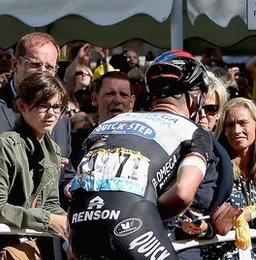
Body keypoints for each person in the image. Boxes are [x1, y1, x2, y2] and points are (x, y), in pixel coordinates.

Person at [68, 50, 213, 259]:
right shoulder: (193, 131)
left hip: (80, 227)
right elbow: (182, 192)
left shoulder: (109, 124)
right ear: (195, 98)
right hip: (132, 225)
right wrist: (147, 212)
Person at [0, 72, 69, 257]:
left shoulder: (53, 149)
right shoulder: (4, 145)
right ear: (22, 105)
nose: (52, 113)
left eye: (58, 106)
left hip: (32, 243)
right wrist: (49, 219)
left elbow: (50, 203)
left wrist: (69, 221)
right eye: (43, 105)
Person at [171, 72, 234, 259]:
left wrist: (203, 227)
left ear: (219, 113)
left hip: (192, 248)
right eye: (197, 107)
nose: (202, 116)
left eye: (210, 109)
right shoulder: (166, 142)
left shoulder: (221, 158)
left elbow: (212, 218)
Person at [209, 97, 256, 259]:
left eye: (243, 123)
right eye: (230, 125)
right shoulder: (215, 167)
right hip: (224, 251)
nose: (236, 130)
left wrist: (251, 213)